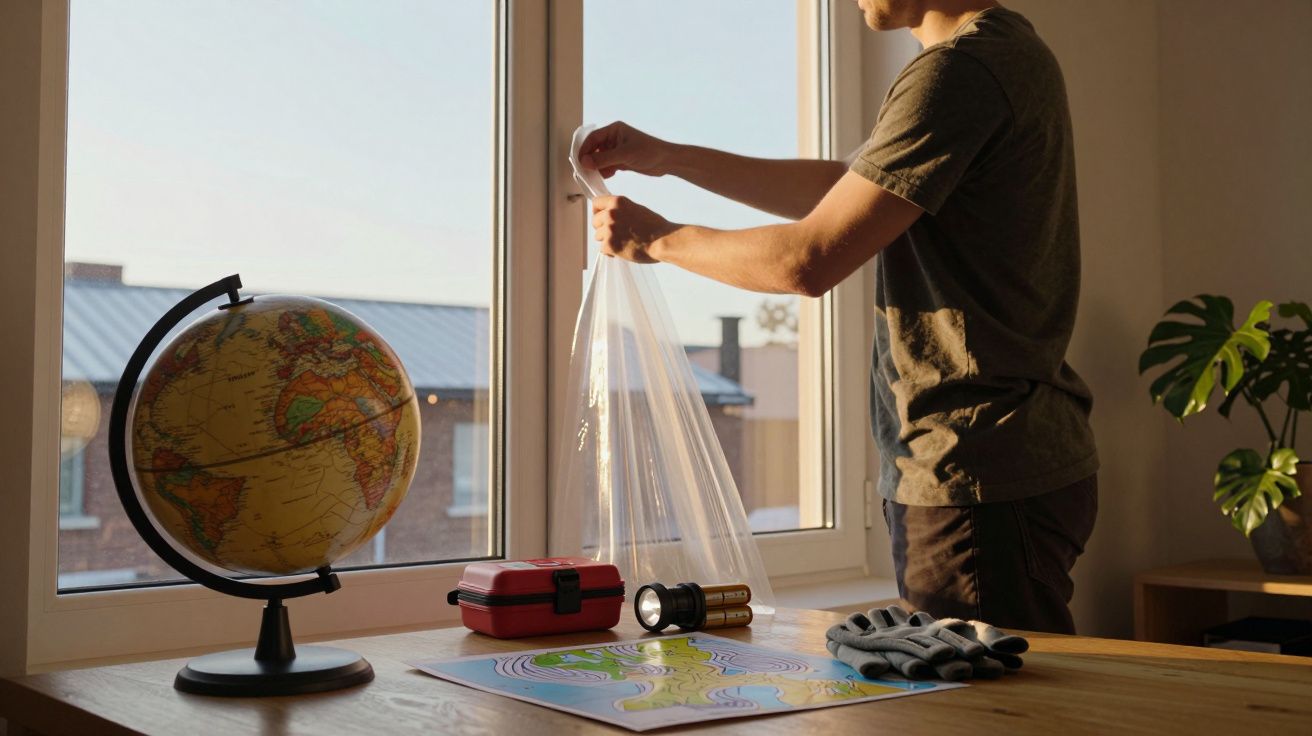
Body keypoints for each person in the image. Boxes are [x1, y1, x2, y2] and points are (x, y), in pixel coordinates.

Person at [579, 0, 1098, 634]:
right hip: (1000, 458)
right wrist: (670, 157)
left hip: (974, 466)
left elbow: (808, 259)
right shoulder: (1006, 53)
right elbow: (844, 188)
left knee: (984, 716)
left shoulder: (961, 70)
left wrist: (659, 239)